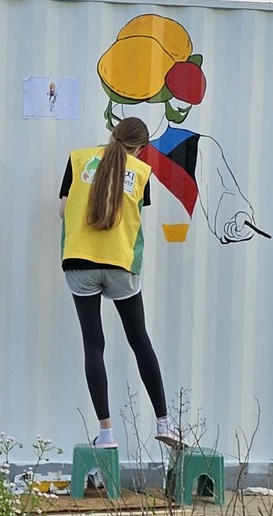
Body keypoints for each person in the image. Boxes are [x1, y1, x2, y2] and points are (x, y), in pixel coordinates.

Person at [58, 117, 183, 449]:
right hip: (120, 263)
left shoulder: (78, 159)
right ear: (140, 149)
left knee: (93, 345)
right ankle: (164, 423)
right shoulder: (141, 173)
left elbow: (63, 211)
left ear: (112, 135)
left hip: (79, 261)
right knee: (139, 340)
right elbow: (134, 216)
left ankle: (106, 433)